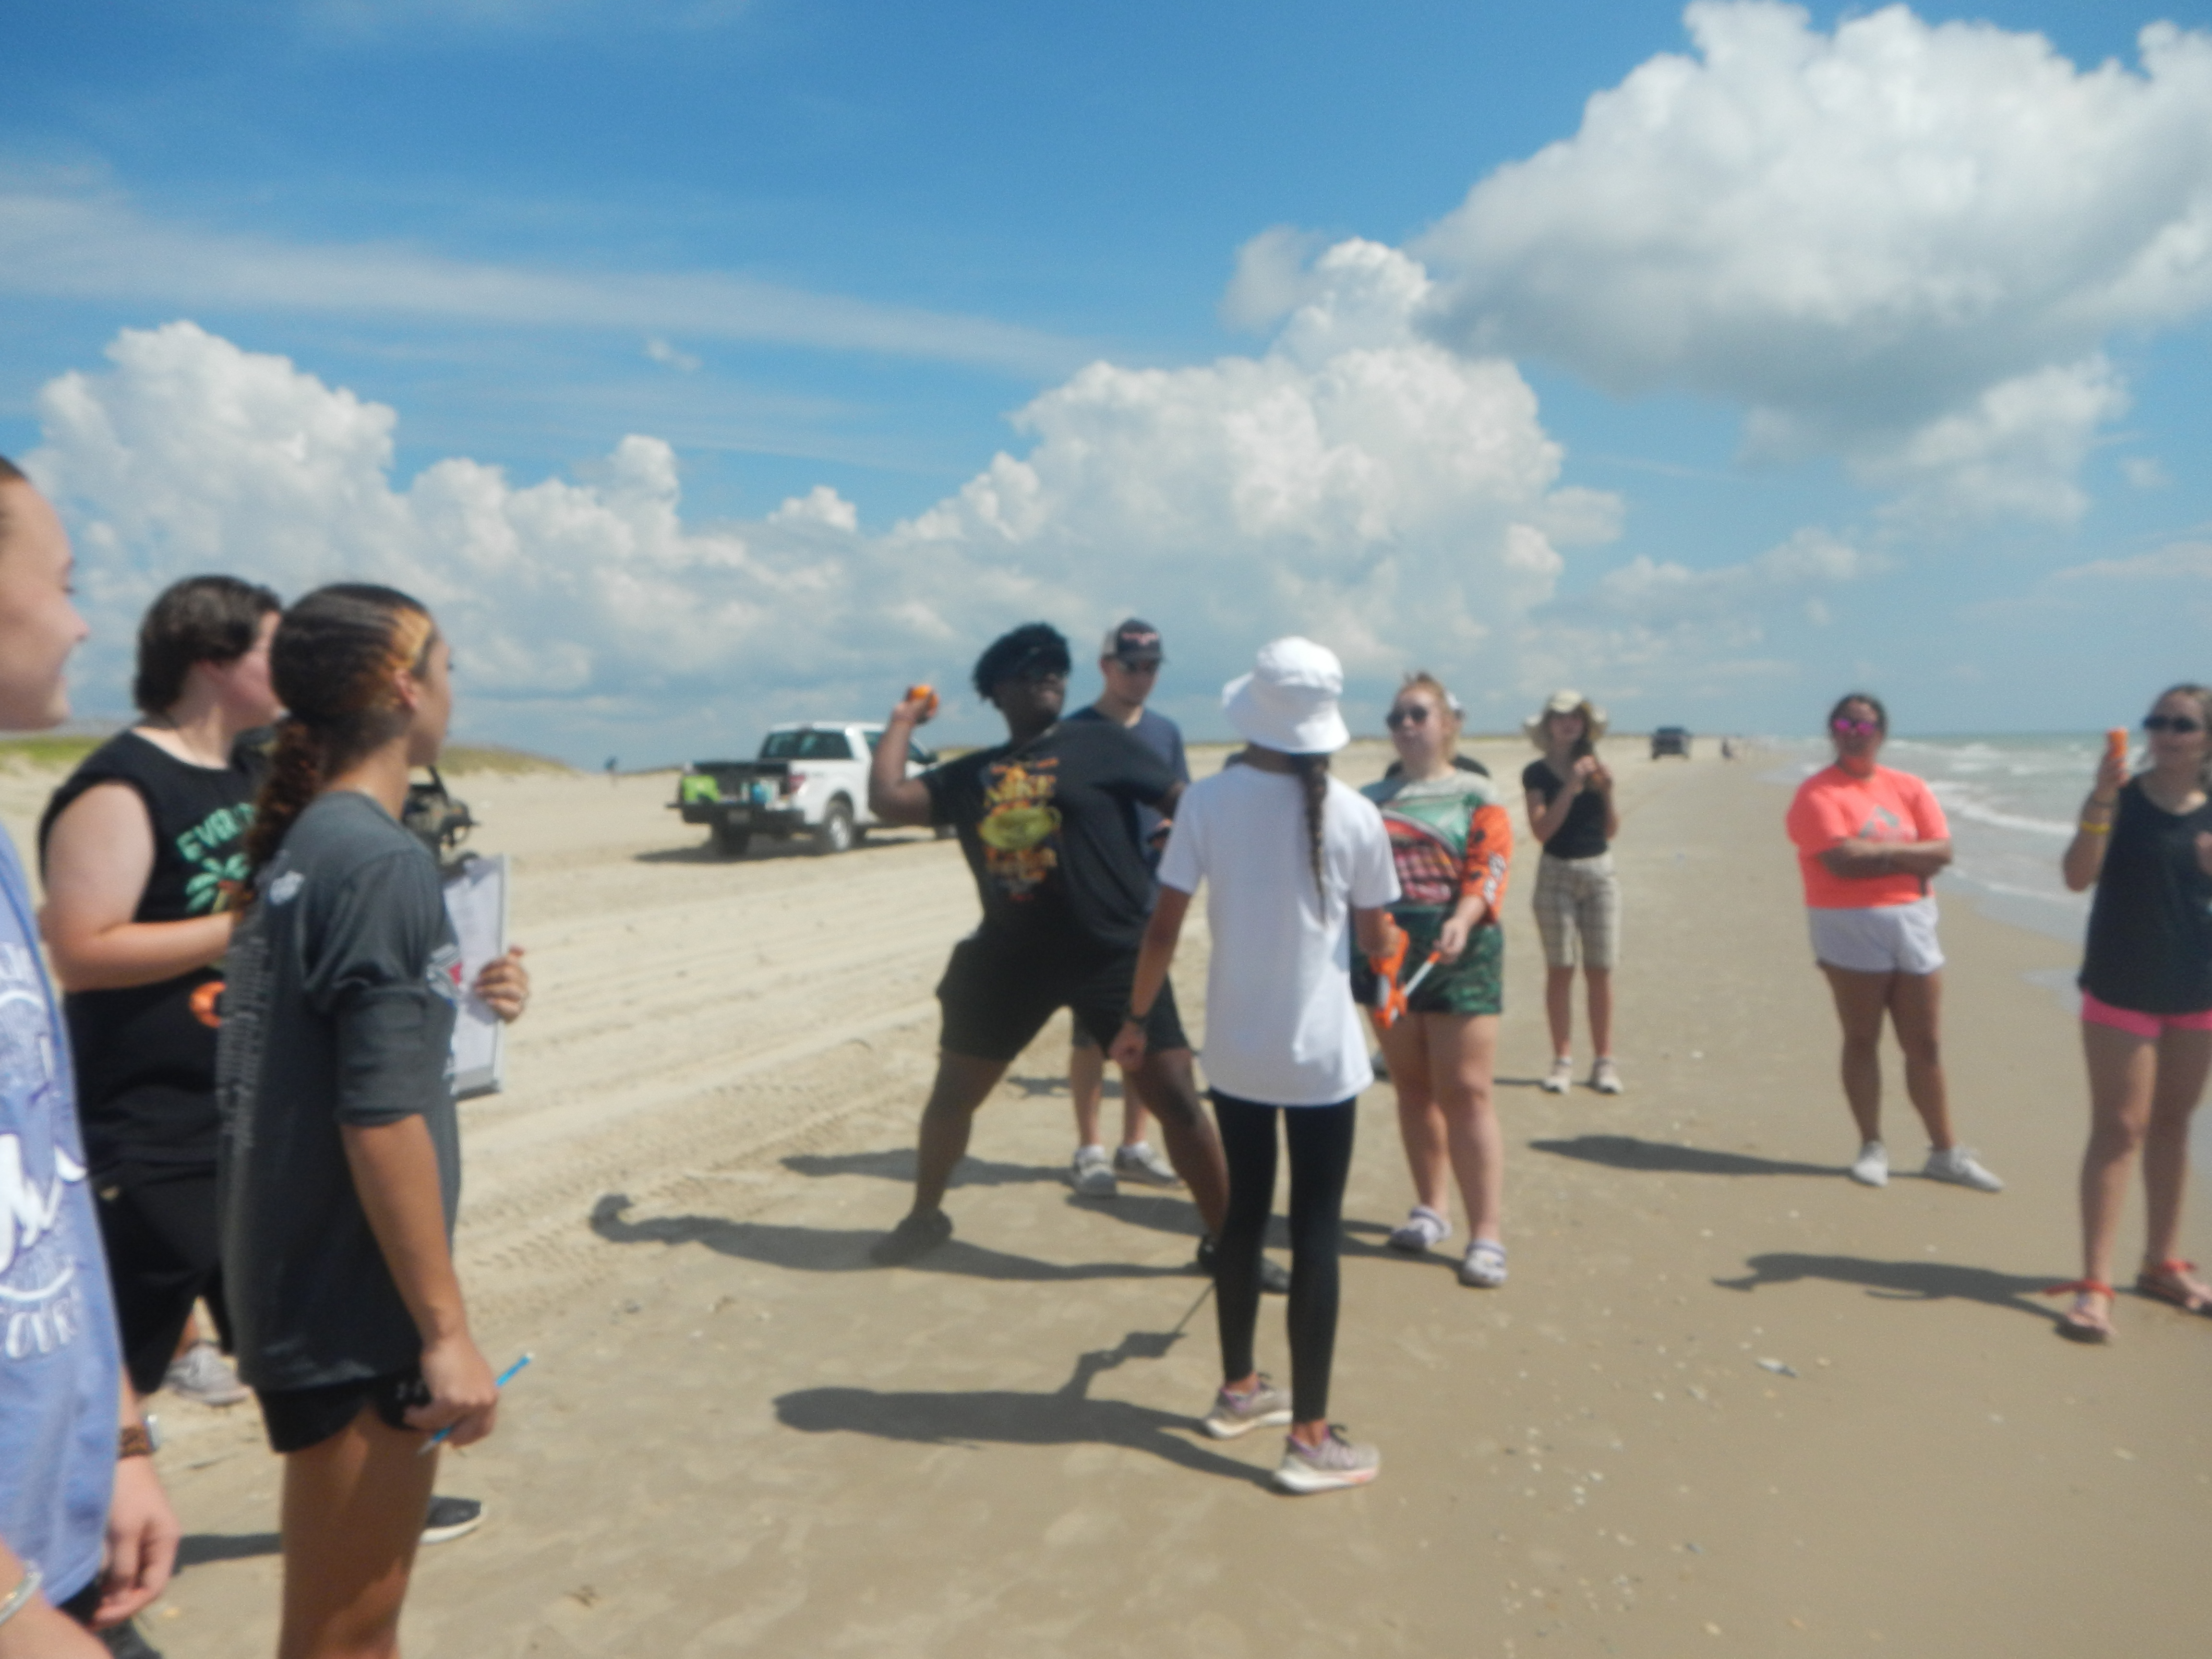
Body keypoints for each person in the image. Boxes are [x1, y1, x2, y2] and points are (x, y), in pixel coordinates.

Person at [216, 584, 529, 1659]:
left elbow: (326, 1056)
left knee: (341, 1628)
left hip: (295, 1278)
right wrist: (446, 1333)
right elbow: (380, 1111)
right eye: (447, 666)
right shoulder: (380, 859)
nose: (455, 687)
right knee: (349, 1634)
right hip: (353, 1306)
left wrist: (463, 1000)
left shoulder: (313, 844)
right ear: (405, 688)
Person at [864, 623, 1255, 1284]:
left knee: (1180, 1104)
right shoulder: (974, 774)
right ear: (996, 692)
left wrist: (1186, 842)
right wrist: (902, 721)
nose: (1046, 675)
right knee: (952, 1098)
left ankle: (1232, 1245)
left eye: (1054, 667)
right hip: (1009, 962)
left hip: (1113, 957)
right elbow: (888, 799)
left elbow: (1187, 807)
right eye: (1027, 669)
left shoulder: (1102, 743)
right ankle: (925, 1216)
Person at [1112, 637, 1398, 1493]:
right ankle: (1308, 1435)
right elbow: (1378, 939)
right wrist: (1388, 952)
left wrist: (1133, 1020)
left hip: (1235, 1049)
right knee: (1314, 1232)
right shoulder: (1355, 813)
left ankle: (1240, 1389)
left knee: (1240, 1221)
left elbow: (1160, 929)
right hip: (1318, 1058)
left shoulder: (1207, 802)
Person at [0, 455, 180, 1658]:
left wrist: (117, 1439)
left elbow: (46, 1168)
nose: (80, 619)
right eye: (61, 581)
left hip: (54, 1533)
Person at [39, 577, 281, 1419]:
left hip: (248, 1108)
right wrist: (243, 928)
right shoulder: (122, 785)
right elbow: (82, 950)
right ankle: (82, 1532)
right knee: (113, 1368)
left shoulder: (257, 770)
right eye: (271, 649)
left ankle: (362, 1515)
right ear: (211, 661)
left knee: (295, 1339)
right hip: (151, 1126)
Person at [1783, 694, 2001, 1193]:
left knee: (1924, 1044)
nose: (1854, 731)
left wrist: (1876, 852)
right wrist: (1908, 856)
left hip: (1914, 920)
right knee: (1863, 1037)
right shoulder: (1817, 793)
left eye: (1864, 724)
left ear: (1881, 731)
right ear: (1832, 731)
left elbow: (1943, 852)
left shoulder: (1909, 787)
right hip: (1847, 921)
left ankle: (1945, 1152)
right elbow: (1839, 862)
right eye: (1844, 723)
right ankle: (1872, 1144)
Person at [2050, 687, 2212, 1342]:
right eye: (2157, 721)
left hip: (2198, 990)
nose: (2166, 733)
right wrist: (2098, 799)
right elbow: (2075, 876)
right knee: (2120, 1129)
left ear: (2207, 738)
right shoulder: (2121, 799)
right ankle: (2094, 1283)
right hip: (2121, 983)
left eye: (2182, 724)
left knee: (2173, 1125)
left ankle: (2160, 1264)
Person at [1360, 673, 1515, 1287]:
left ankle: (1487, 1234)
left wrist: (1465, 916)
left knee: (1468, 1090)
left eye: (1419, 714)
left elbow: (1492, 863)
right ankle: (1432, 1209)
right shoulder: (1371, 798)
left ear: (1449, 723)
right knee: (1412, 1087)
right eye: (1397, 716)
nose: (1406, 726)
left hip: (1462, 947)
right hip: (1387, 951)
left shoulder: (1477, 792)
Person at [1062, 619, 1189, 1197]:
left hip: (1151, 899)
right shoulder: (1074, 732)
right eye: (1131, 665)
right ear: (1105, 666)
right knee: (1090, 1033)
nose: (1142, 676)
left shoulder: (1165, 733)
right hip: (1091, 905)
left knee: (1147, 1027)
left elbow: (1187, 805)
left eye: (1152, 666)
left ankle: (1134, 1142)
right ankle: (1089, 1148)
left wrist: (1173, 837)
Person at [1521, 690, 1623, 1094]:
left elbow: (1611, 831)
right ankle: (1562, 1060)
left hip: (1599, 873)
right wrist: (1572, 787)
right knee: (1560, 969)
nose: (1569, 723)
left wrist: (1607, 790)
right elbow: (1541, 830)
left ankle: (1604, 1062)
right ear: (1548, 725)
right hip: (1555, 873)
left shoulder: (1597, 770)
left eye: (1577, 718)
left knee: (1600, 970)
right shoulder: (1536, 774)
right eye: (1561, 716)